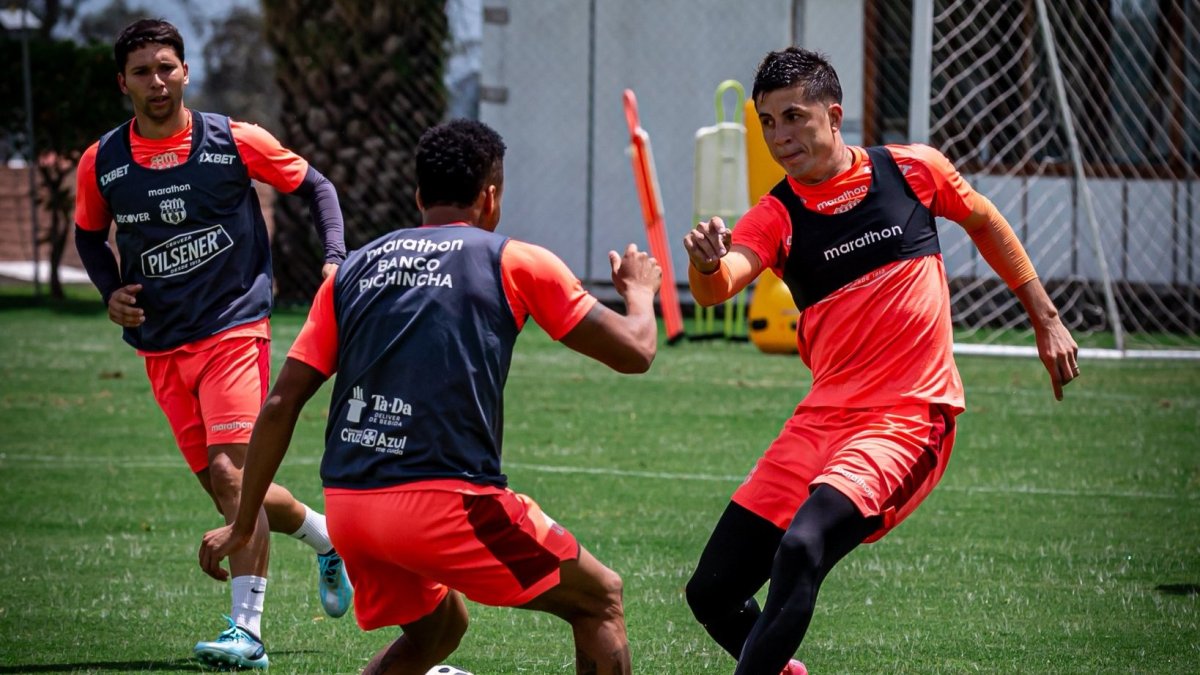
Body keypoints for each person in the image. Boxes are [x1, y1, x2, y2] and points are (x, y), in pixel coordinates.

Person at [197, 118, 662, 674]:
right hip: (449, 504)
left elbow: (280, 404)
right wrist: (640, 292)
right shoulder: (514, 260)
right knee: (600, 599)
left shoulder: (352, 271)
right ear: (491, 197)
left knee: (440, 628)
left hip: (351, 509)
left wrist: (245, 522)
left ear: (419, 196)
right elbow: (635, 351)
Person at [682, 47, 1080, 674]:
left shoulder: (912, 171)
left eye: (794, 117)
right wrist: (705, 264)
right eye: (768, 123)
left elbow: (986, 221)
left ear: (833, 115)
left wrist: (1046, 317)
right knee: (711, 592)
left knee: (804, 545)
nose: (781, 137)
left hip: (908, 417)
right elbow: (722, 282)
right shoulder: (776, 213)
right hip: (821, 422)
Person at [73, 18, 353, 670]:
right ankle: (328, 537)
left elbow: (316, 186)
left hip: (234, 327)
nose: (157, 81)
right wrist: (109, 288)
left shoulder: (233, 141)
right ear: (124, 83)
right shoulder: (104, 161)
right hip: (161, 345)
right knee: (235, 491)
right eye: (142, 71)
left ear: (186, 71)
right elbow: (90, 234)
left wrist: (335, 258)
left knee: (233, 476)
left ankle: (247, 633)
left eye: (166, 66)